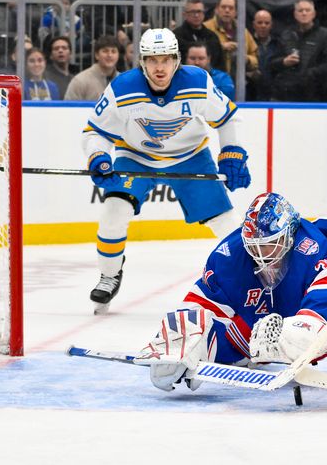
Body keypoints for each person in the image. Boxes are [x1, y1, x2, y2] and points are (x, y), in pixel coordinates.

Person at [134, 191, 327, 391]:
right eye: (254, 245)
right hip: (277, 311)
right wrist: (188, 343)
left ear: (288, 233)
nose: (260, 252)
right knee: (222, 336)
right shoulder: (229, 254)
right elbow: (206, 303)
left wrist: (303, 332)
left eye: (269, 243)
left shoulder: (311, 247)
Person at [80, 28, 251, 314]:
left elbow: (228, 118)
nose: (160, 67)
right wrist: (98, 156)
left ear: (177, 60)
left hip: (191, 156)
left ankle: (248, 282)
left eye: (166, 59)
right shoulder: (122, 88)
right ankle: (110, 274)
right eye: (152, 60)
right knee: (113, 214)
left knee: (226, 224)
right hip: (135, 156)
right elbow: (94, 133)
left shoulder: (198, 81)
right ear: (142, 62)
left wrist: (232, 154)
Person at [271, 0, 327, 102]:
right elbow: (272, 62)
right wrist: (284, 62)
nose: (304, 13)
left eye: (307, 10)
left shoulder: (325, 35)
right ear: (295, 14)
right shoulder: (286, 35)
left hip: (316, 94)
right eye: (300, 10)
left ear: (314, 13)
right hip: (287, 94)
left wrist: (311, 73)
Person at [203, 0, 258, 79]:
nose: (227, 10)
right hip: (212, 80)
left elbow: (255, 58)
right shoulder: (206, 28)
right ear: (216, 10)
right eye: (223, 7)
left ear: (235, 12)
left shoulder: (242, 31)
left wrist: (246, 59)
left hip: (238, 83)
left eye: (231, 8)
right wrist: (220, 47)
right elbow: (198, 56)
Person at [173, 0, 224, 71]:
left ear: (203, 14)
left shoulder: (212, 36)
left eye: (199, 11)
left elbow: (220, 63)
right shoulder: (175, 37)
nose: (196, 15)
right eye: (192, 12)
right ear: (184, 14)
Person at [64, 35, 119, 100]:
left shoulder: (124, 81)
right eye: (105, 51)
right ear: (96, 55)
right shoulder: (80, 81)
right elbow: (70, 108)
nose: (110, 55)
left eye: (113, 51)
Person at [250, 8, 279, 101]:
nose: (263, 26)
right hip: (251, 93)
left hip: (273, 93)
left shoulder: (279, 44)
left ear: (271, 25)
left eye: (266, 23)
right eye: (260, 22)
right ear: (254, 24)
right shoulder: (246, 43)